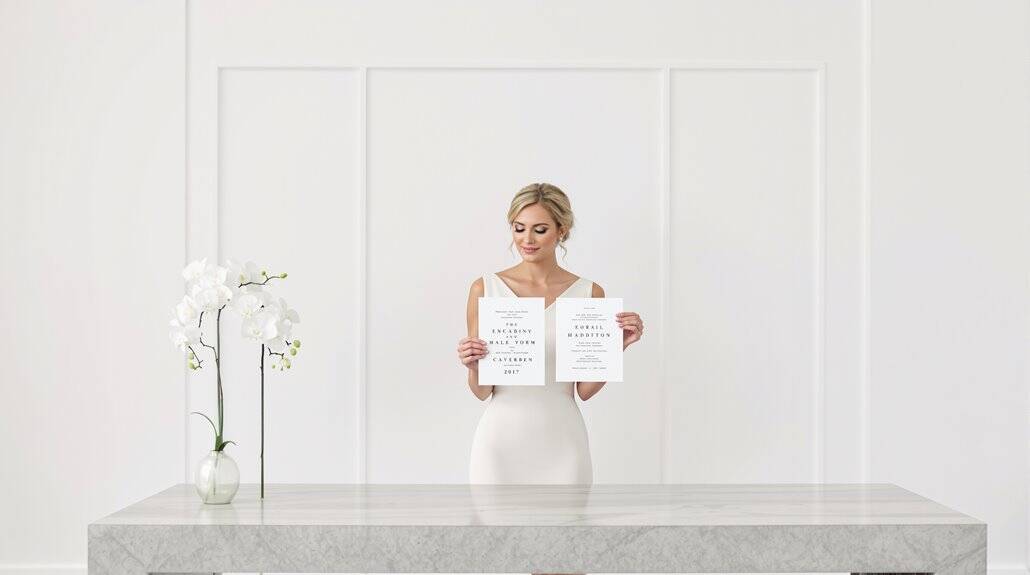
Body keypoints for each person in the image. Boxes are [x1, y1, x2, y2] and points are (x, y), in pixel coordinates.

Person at [459, 182, 645, 490]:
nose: (527, 240)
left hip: (563, 443)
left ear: (562, 230)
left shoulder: (588, 293)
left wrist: (616, 346)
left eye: (540, 230)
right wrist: (473, 365)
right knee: (494, 538)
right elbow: (481, 391)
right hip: (499, 444)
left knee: (569, 537)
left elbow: (584, 390)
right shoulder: (485, 288)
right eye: (519, 229)